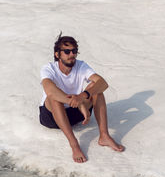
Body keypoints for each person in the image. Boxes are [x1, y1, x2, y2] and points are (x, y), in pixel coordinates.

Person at [39, 33, 124, 163]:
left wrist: (82, 97)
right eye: (67, 51)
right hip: (52, 116)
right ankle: (74, 144)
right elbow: (49, 90)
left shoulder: (81, 65)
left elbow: (103, 83)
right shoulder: (49, 68)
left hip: (75, 113)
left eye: (74, 51)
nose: (71, 54)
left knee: (97, 90)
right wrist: (79, 103)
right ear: (57, 54)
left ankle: (104, 136)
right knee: (54, 98)